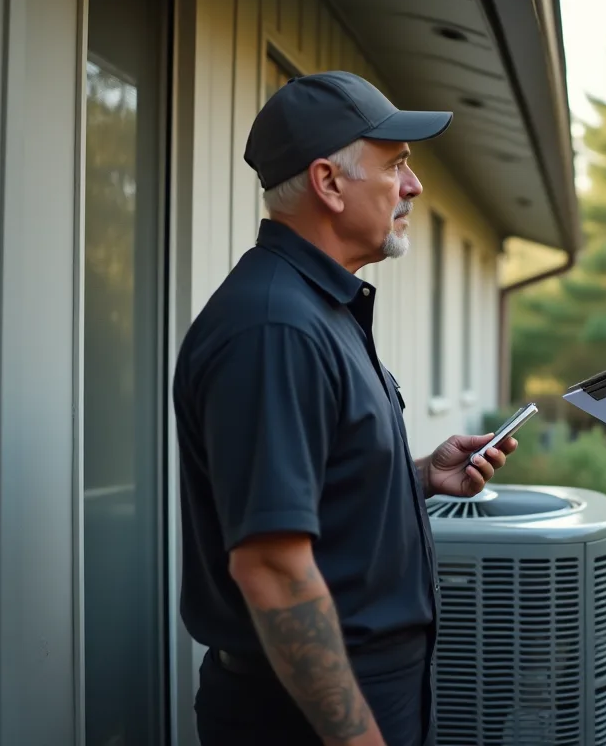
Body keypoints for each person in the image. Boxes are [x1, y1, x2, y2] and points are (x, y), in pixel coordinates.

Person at [173, 70, 516, 746]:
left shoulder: (316, 310)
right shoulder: (275, 330)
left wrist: (416, 478)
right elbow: (270, 565)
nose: (413, 187)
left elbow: (308, 493)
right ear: (329, 183)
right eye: (396, 167)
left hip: (354, 694)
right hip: (305, 715)